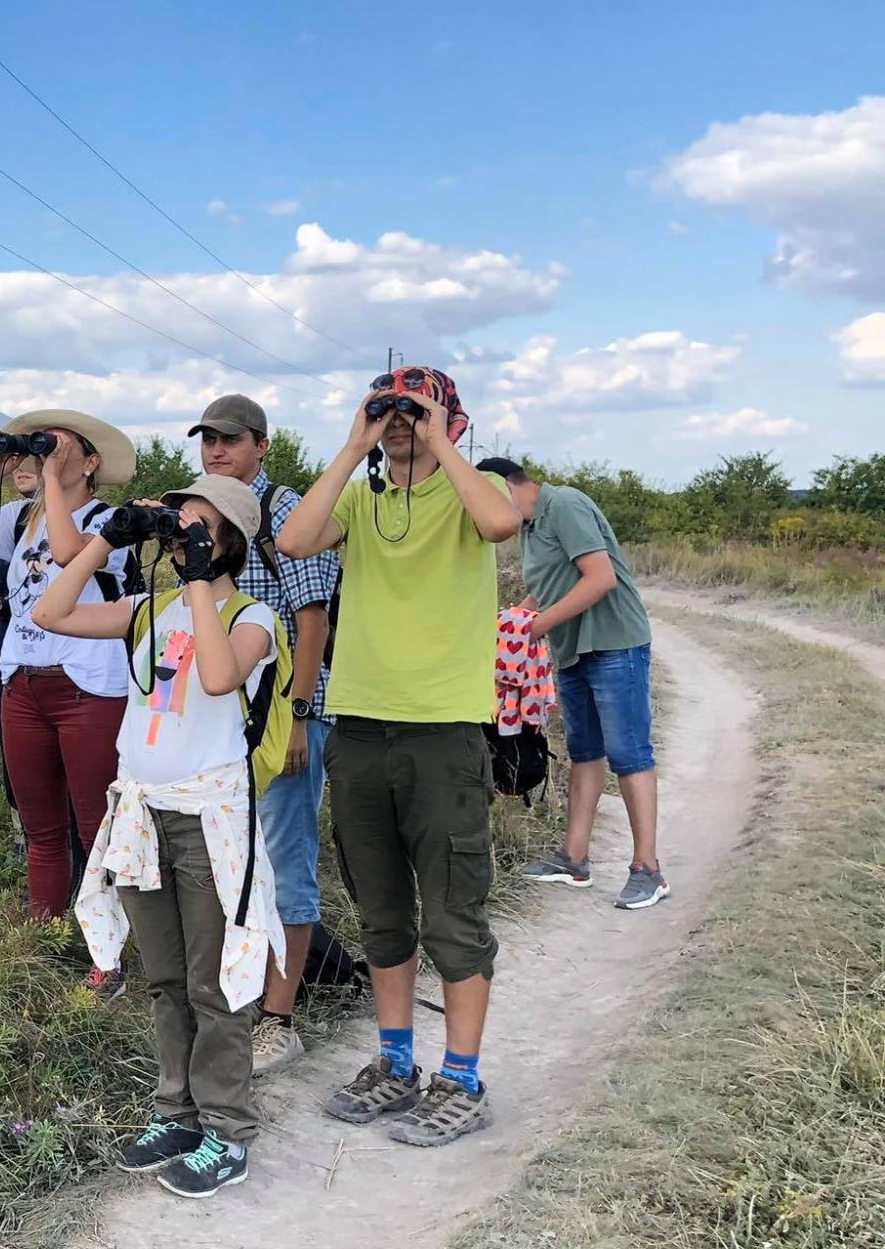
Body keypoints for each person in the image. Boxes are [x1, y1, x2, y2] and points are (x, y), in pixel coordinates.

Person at [277, 366, 520, 1147]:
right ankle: (394, 1062)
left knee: (453, 914)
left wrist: (440, 437)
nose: (401, 421)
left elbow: (498, 524)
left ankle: (463, 1077)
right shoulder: (361, 497)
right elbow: (292, 539)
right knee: (380, 910)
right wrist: (356, 443)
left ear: (454, 419)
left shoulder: (470, 488)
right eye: (391, 407)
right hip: (360, 729)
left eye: (416, 408)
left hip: (442, 731)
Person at [36, 475, 283, 1198]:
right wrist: (107, 541)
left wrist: (204, 578)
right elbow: (52, 613)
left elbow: (215, 677)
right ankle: (175, 1111)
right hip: (144, 814)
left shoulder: (252, 614)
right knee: (166, 978)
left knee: (217, 982)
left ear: (229, 539)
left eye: (198, 527)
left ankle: (228, 1131)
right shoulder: (150, 609)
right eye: (176, 527)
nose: (181, 538)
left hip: (210, 818)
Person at [0, 411, 136, 970]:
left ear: (91, 463)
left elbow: (71, 552)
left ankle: (106, 954)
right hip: (23, 682)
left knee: (95, 825)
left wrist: (49, 476)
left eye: (64, 446)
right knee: (40, 823)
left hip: (88, 688)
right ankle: (44, 934)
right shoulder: (20, 517)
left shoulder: (112, 521)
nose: (48, 454)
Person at [185, 394, 341, 1075]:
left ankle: (279, 1019)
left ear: (261, 445)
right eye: (207, 440)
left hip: (287, 717)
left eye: (229, 439)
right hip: (228, 719)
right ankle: (239, 999)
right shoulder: (206, 512)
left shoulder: (283, 510)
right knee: (233, 863)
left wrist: (302, 714)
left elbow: (312, 620)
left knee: (285, 862)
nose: (216, 450)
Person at [478, 457, 666, 910]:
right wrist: (514, 621)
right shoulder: (527, 528)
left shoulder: (563, 504)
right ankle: (573, 859)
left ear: (505, 486)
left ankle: (648, 870)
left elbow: (600, 578)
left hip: (614, 644)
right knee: (585, 752)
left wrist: (536, 627)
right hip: (574, 650)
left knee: (629, 754)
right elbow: (548, 586)